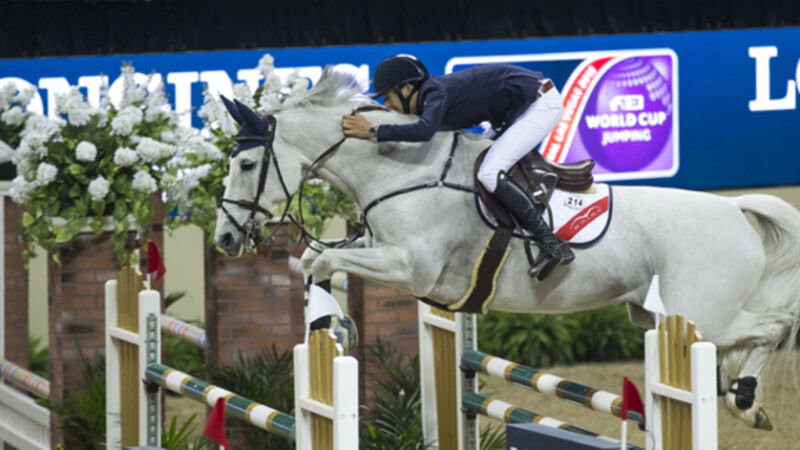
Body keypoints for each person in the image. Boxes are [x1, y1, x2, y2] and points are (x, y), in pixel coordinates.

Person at [341, 54, 574, 278]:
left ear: (407, 88)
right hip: (517, 110)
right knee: (474, 164)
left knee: (489, 173)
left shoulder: (434, 91)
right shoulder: (430, 97)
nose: (388, 105)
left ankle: (551, 243)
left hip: (540, 104)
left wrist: (373, 130)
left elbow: (423, 132)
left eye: (388, 97)